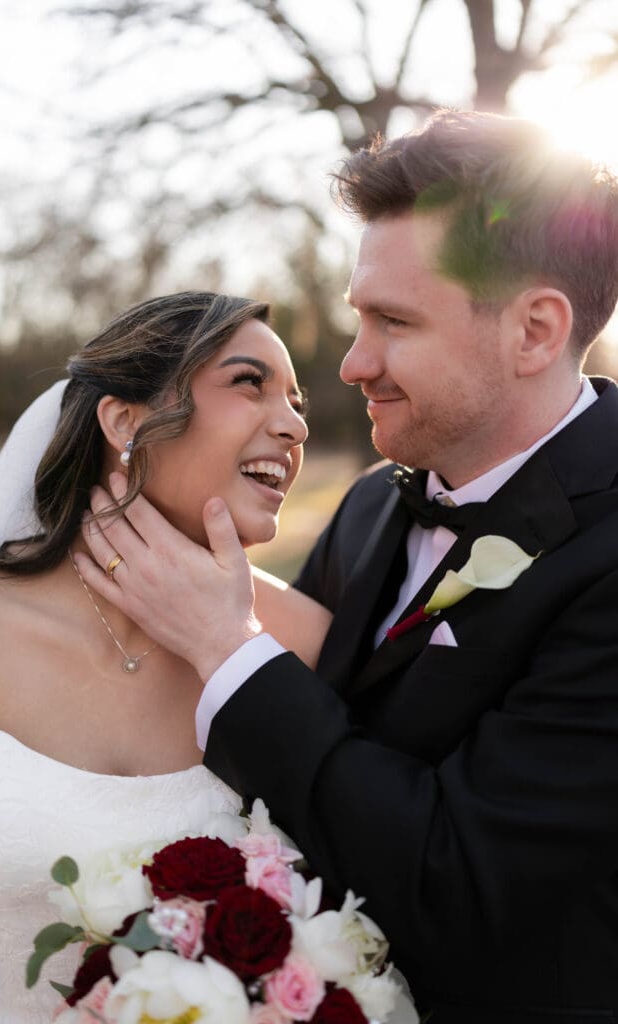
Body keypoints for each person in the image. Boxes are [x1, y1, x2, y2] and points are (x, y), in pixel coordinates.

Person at [76, 110, 618, 1023]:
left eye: (393, 322)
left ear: (533, 331)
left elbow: (459, 884)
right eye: (359, 315)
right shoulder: (375, 500)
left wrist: (226, 645)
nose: (353, 362)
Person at [0, 291, 331, 1023]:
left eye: (297, 400)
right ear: (124, 420)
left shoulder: (302, 643)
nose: (295, 423)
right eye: (250, 383)